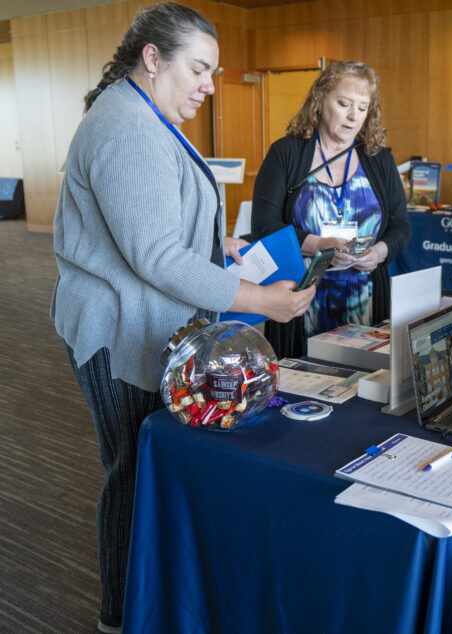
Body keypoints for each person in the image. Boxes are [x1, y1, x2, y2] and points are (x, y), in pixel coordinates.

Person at [51, 5, 315, 632]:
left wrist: (214, 245)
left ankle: (153, 603)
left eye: (212, 72)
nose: (208, 85)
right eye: (199, 69)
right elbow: (155, 256)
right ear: (152, 58)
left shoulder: (143, 113)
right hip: (119, 333)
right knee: (133, 475)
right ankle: (119, 616)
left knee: (148, 470)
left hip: (143, 322)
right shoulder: (127, 126)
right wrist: (259, 300)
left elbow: (149, 225)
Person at [251, 60, 411, 359]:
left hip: (366, 300)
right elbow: (264, 227)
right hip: (300, 300)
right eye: (344, 104)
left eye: (362, 108)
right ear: (320, 98)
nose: (353, 116)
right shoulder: (286, 153)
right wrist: (319, 246)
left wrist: (379, 253)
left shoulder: (379, 159)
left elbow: (401, 226)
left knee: (366, 378)